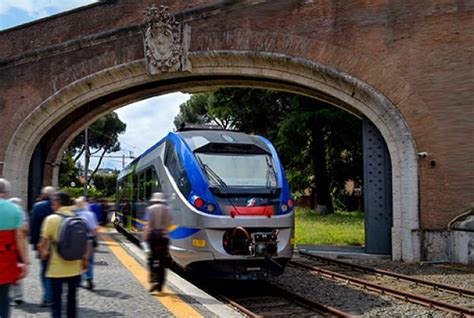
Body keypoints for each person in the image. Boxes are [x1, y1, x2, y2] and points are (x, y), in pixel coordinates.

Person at [38, 191, 90, 318]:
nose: (51, 205)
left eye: (53, 202)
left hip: (56, 270)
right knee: (72, 301)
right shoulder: (80, 219)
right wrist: (85, 261)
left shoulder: (51, 219)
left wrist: (44, 254)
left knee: (56, 302)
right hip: (75, 268)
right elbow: (87, 243)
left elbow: (41, 245)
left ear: (58, 202)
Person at [0, 179, 29, 318]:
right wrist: (25, 261)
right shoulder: (14, 209)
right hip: (6, 258)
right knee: (4, 296)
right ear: (6, 193)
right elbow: (20, 238)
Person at [29, 186, 56, 307]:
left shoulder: (37, 206)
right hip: (56, 244)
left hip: (42, 243)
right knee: (55, 270)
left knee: (44, 270)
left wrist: (34, 243)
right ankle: (53, 295)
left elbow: (33, 226)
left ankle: (47, 295)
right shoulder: (57, 206)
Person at [143, 192, 172, 293]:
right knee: (162, 261)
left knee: (152, 260)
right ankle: (160, 285)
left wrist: (145, 237)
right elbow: (169, 224)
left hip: (153, 238)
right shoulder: (168, 210)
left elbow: (149, 225)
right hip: (164, 238)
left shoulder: (150, 209)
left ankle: (153, 279)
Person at [74, 196, 98, 290]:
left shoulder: (73, 214)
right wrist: (95, 239)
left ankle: (79, 279)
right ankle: (89, 278)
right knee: (89, 260)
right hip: (88, 240)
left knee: (77, 260)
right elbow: (94, 229)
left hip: (76, 241)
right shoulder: (90, 214)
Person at [8, 197, 29, 305]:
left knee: (12, 271)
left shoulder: (11, 215)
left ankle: (13, 295)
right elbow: (26, 230)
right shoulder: (23, 215)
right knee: (18, 270)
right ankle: (18, 295)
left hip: (12, 248)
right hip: (21, 248)